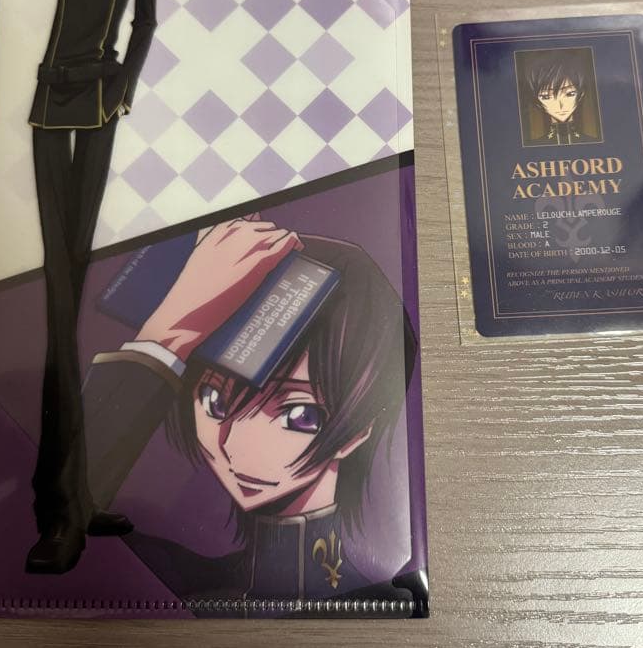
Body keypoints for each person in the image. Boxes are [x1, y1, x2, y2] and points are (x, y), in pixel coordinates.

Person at [82, 217, 422, 610]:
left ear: (360, 429)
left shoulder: (390, 602)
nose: (234, 447)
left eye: (298, 415)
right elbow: (56, 519)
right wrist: (169, 335)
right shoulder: (158, 575)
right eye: (214, 401)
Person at [22, 0, 170, 574]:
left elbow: (146, 21)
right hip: (50, 102)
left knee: (68, 307)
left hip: (99, 106)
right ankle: (65, 506)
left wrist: (120, 94)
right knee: (59, 303)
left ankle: (67, 507)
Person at [521, 50, 598, 145]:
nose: (560, 105)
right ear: (537, 101)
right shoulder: (534, 147)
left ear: (581, 94)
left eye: (569, 94)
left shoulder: (593, 143)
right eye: (546, 97)